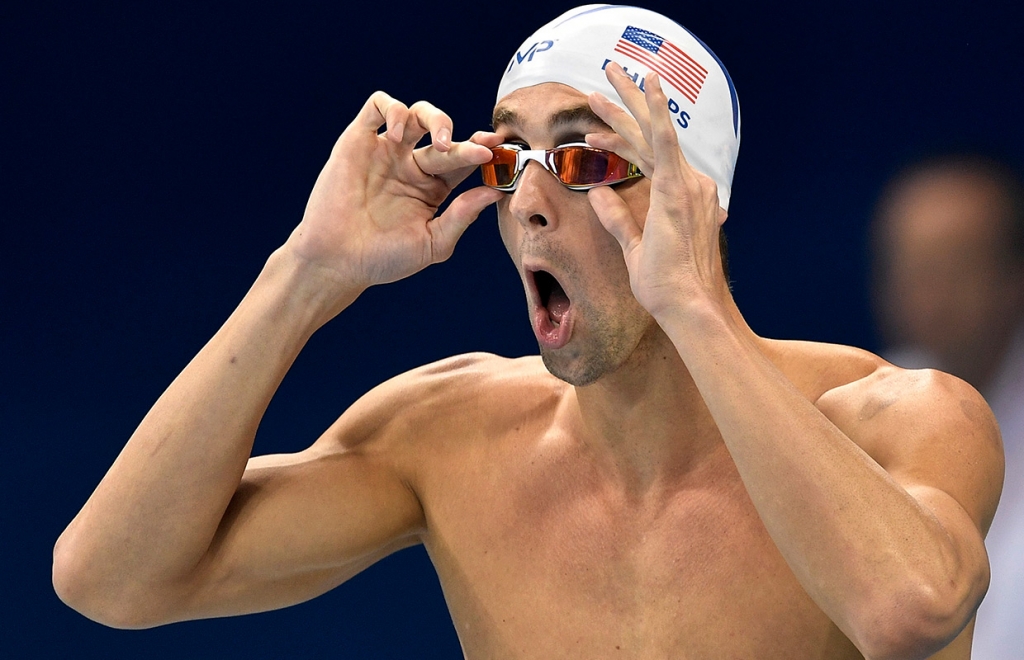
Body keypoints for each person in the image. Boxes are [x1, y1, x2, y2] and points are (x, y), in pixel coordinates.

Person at [53, 5, 1002, 657]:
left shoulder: (895, 419)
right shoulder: (452, 439)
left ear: (696, 199)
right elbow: (111, 578)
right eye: (511, 156)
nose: (531, 203)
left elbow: (905, 609)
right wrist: (305, 271)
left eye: (586, 157)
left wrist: (693, 306)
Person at [871, 153, 1024, 658]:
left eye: (951, 268)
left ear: (1013, 276)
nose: (927, 295)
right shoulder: (867, 400)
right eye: (911, 269)